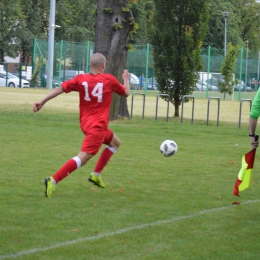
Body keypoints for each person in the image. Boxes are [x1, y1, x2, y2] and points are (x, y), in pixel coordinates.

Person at [33, 53, 130, 198]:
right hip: (97, 127)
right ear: (103, 66)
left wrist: (42, 101)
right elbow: (126, 93)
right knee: (83, 158)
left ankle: (96, 174)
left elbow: (60, 89)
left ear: (90, 65)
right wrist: (126, 79)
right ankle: (53, 180)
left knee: (115, 143)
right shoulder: (109, 79)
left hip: (86, 124)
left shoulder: (81, 79)